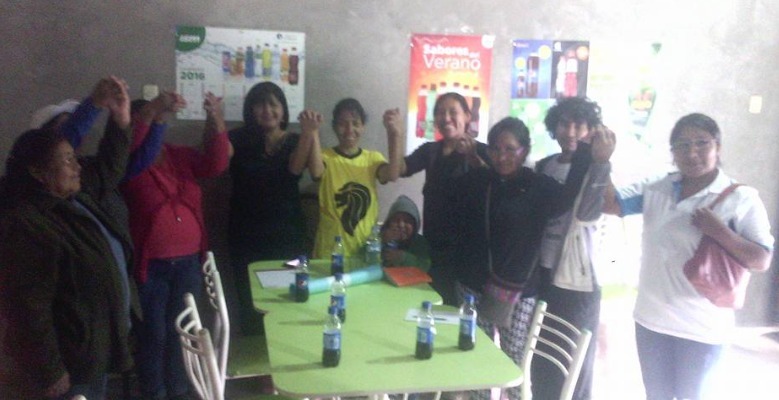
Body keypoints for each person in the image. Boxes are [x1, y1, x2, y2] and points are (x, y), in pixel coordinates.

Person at [603, 113, 773, 400]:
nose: (692, 153)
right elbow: (610, 204)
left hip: (702, 329)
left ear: (717, 147)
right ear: (673, 154)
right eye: (682, 146)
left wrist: (720, 232)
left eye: (701, 143)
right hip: (651, 321)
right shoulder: (657, 187)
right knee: (656, 395)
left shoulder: (741, 198)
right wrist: (602, 162)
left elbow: (761, 259)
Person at [455, 116, 614, 400]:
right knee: (478, 352)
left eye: (510, 149)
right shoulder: (479, 181)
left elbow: (569, 197)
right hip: (475, 284)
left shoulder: (539, 185)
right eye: (495, 149)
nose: (502, 156)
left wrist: (585, 156)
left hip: (521, 291)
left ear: (524, 151)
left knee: (515, 358)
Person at [0, 77, 134, 399]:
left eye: (76, 158)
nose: (77, 167)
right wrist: (50, 369)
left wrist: (120, 122)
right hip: (68, 363)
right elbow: (29, 307)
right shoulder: (27, 223)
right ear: (37, 171)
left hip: (91, 350)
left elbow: (109, 168)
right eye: (67, 160)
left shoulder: (72, 197)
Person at [122, 92, 231, 400]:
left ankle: (180, 388)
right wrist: (155, 110)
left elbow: (216, 164)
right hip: (152, 266)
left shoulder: (177, 154)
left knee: (183, 332)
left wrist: (216, 118)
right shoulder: (129, 163)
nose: (153, 124)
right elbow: (134, 143)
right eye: (147, 120)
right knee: (155, 333)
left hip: (188, 262)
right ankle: (154, 391)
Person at [532, 97, 606, 400]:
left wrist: (599, 162)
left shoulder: (596, 168)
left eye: (579, 124)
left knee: (573, 362)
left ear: (590, 129)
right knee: (541, 355)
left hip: (576, 280)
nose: (571, 131)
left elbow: (589, 213)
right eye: (565, 123)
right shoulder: (545, 165)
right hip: (543, 274)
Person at [227, 81, 311, 334]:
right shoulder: (237, 139)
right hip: (246, 234)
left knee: (289, 299)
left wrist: (309, 132)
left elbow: (294, 172)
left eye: (273, 104)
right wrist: (215, 119)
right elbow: (217, 161)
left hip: (288, 234)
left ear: (283, 111)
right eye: (260, 105)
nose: (267, 110)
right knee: (250, 301)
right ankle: (254, 353)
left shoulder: (296, 140)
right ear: (251, 110)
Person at [398, 92, 490, 305]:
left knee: (461, 311)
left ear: (467, 116)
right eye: (440, 113)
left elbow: (496, 184)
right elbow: (401, 169)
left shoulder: (483, 151)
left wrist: (474, 159)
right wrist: (395, 134)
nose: (446, 118)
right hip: (434, 250)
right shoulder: (430, 151)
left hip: (469, 255)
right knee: (434, 305)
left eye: (453, 112)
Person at [307, 98, 403, 259]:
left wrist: (395, 134)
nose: (349, 130)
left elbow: (393, 174)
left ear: (363, 126)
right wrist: (313, 132)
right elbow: (316, 172)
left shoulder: (372, 159)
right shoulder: (325, 156)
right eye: (342, 124)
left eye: (355, 123)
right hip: (329, 252)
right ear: (334, 127)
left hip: (365, 252)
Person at [380, 195, 430, 271]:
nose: (401, 225)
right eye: (396, 220)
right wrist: (382, 242)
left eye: (407, 221)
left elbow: (425, 266)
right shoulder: (379, 237)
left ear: (415, 225)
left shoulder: (419, 242)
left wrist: (402, 257)